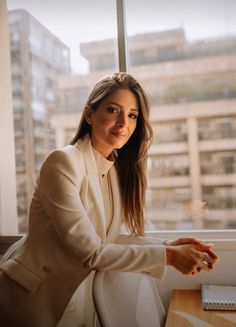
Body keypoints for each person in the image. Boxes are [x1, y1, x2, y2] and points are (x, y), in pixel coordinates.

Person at [0, 72, 218, 327]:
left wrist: (168, 245)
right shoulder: (63, 162)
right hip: (32, 298)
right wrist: (168, 256)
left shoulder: (113, 170)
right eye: (113, 110)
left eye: (132, 115)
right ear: (90, 115)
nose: (123, 122)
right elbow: (91, 253)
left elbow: (108, 240)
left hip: (78, 297)